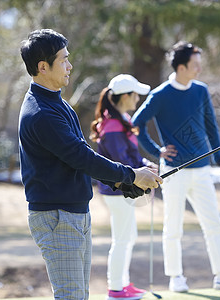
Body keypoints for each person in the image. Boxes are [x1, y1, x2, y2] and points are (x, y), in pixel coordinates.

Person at [18, 29, 162, 300]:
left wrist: (120, 181)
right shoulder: (41, 113)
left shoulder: (56, 103)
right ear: (42, 67)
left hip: (74, 213)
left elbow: (80, 155)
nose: (70, 66)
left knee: (78, 295)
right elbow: (80, 157)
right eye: (63, 60)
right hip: (58, 216)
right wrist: (130, 175)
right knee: (72, 296)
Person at [132, 41, 220, 292]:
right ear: (182, 66)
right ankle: (176, 277)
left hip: (202, 168)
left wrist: (218, 156)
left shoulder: (201, 90)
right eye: (195, 65)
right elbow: (137, 123)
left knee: (214, 223)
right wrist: (157, 151)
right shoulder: (161, 94)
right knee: (173, 225)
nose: (199, 69)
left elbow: (211, 126)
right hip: (174, 171)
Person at [89, 74, 157, 300]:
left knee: (128, 236)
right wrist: (142, 171)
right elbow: (122, 163)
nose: (138, 98)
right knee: (122, 239)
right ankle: (116, 289)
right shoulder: (113, 125)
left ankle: (123, 285)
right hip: (118, 191)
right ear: (126, 96)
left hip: (122, 190)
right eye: (135, 94)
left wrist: (147, 166)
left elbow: (132, 157)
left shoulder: (120, 119)